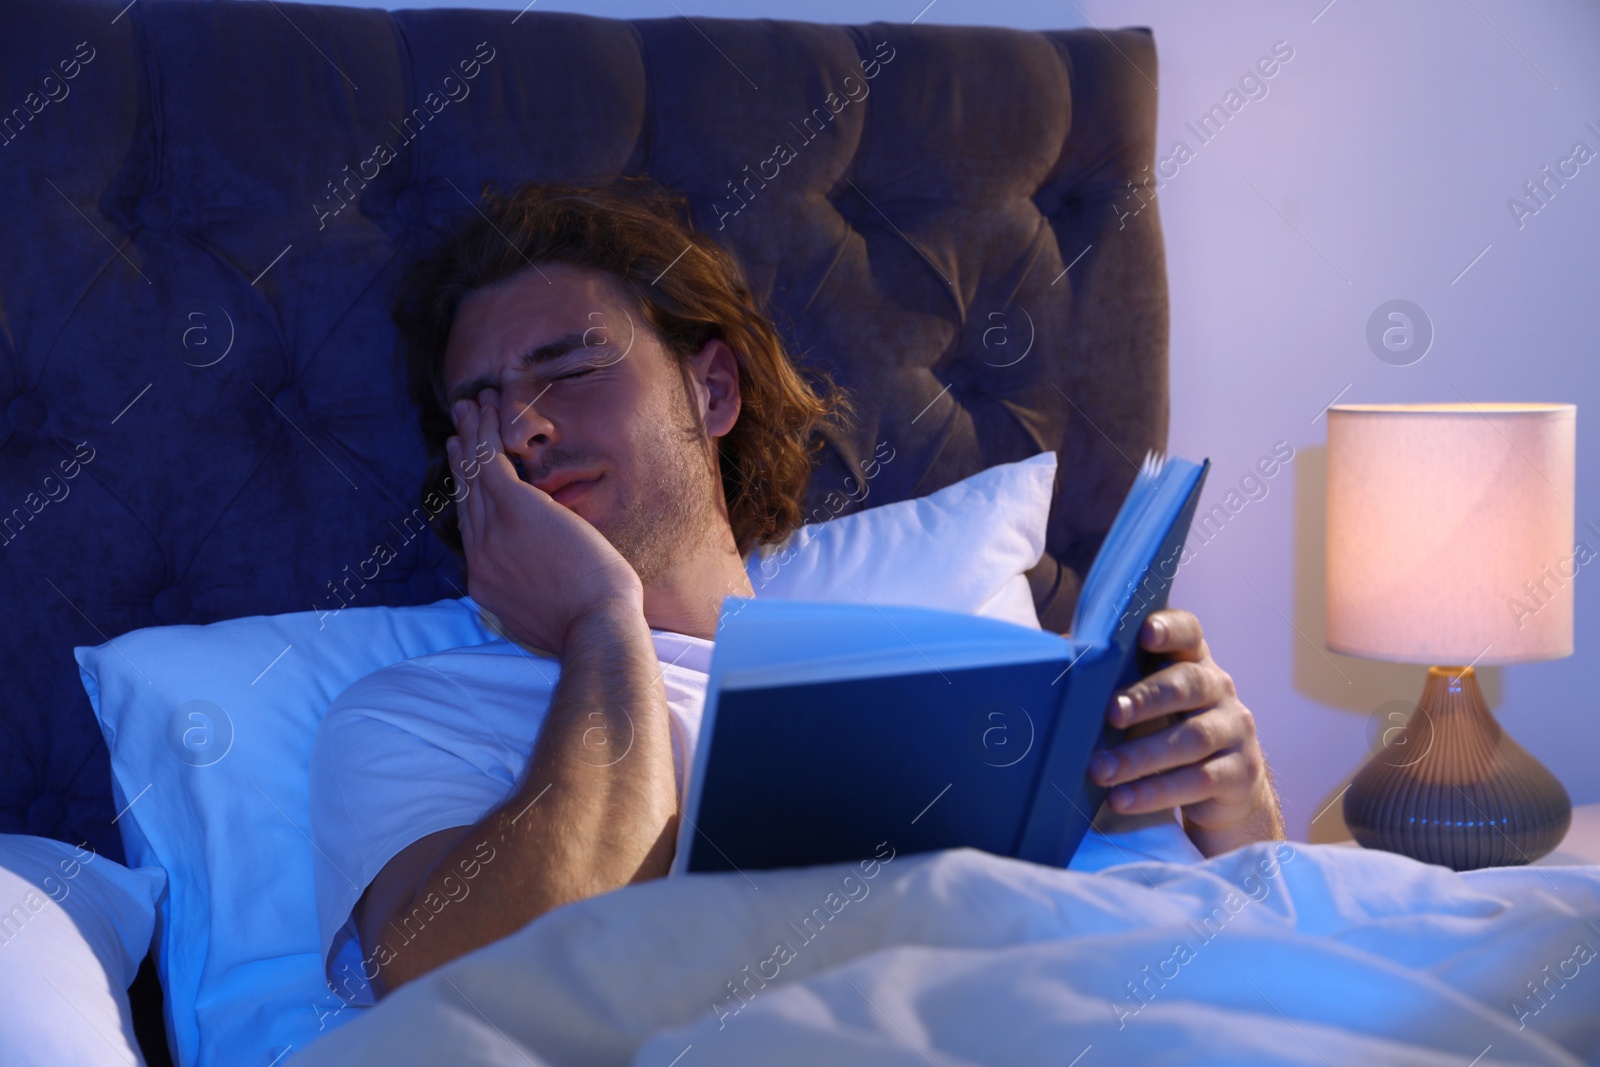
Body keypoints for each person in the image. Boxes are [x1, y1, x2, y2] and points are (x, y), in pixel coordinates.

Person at [308, 178, 1285, 1007]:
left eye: (569, 367)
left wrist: (1234, 812)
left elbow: (1223, 941)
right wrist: (600, 624)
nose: (521, 427)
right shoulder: (410, 719)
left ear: (713, 391)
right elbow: (475, 998)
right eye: (479, 407)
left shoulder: (939, 673)